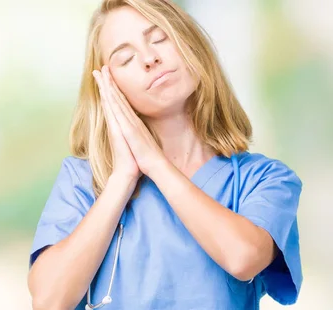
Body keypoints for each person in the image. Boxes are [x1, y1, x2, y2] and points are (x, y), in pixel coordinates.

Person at [26, 0, 303, 309]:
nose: (149, 58)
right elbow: (49, 301)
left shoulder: (266, 179)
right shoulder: (82, 181)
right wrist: (122, 178)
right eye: (126, 58)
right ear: (109, 88)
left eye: (159, 39)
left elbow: (243, 258)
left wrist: (155, 164)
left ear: (191, 44)